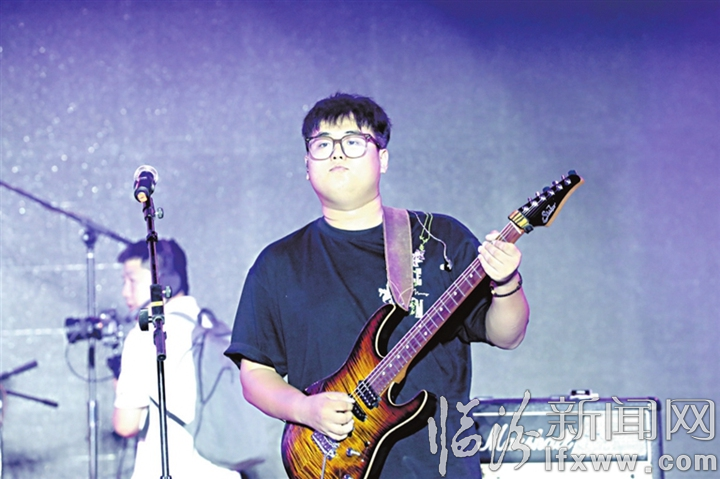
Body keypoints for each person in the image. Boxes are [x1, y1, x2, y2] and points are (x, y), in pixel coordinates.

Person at [225, 93, 530, 478]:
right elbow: (254, 375)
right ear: (306, 165)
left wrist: (506, 282)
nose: (337, 153)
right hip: (333, 464)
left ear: (382, 159)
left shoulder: (439, 238)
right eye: (322, 144)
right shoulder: (278, 263)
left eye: (353, 141)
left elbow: (507, 334)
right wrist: (304, 409)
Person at [113, 239, 239, 479]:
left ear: (164, 282)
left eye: (132, 280)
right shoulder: (213, 326)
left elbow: (126, 425)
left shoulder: (145, 333)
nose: (125, 292)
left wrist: (118, 385)